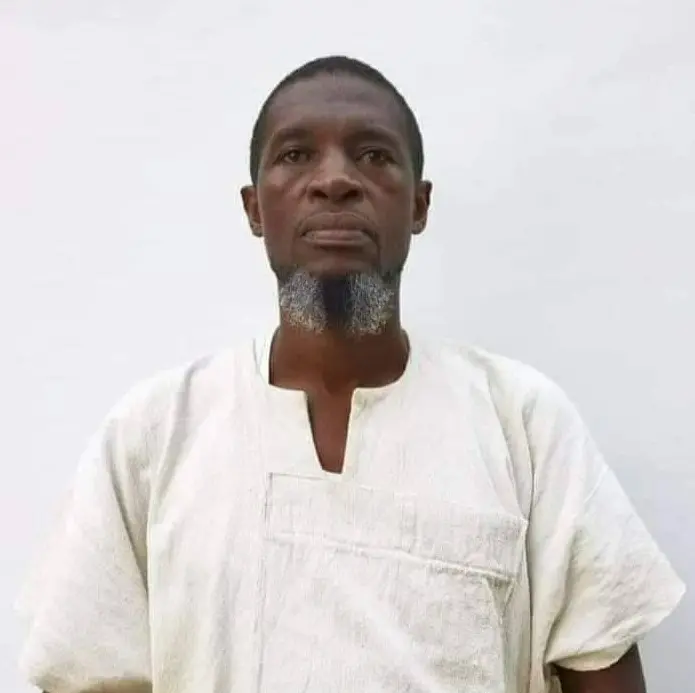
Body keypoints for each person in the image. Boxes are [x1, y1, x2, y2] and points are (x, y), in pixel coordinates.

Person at [17, 55, 684, 693]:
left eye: (373, 155)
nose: (334, 180)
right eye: (295, 155)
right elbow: (89, 674)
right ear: (255, 209)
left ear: (418, 205)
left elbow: (602, 669)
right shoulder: (153, 434)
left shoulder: (523, 424)